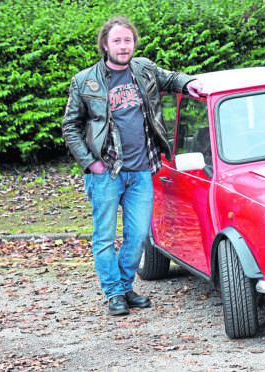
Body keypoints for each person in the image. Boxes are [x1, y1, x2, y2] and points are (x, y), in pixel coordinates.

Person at [61, 15, 203, 316]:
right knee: (103, 237)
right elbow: (70, 127)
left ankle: (125, 287)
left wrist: (189, 82)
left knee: (138, 236)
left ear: (133, 43)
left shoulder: (144, 69)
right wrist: (91, 164)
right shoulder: (85, 81)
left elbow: (172, 78)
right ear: (105, 44)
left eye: (128, 40)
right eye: (117, 41)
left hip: (141, 171)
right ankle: (113, 293)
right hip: (106, 173)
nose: (123, 46)